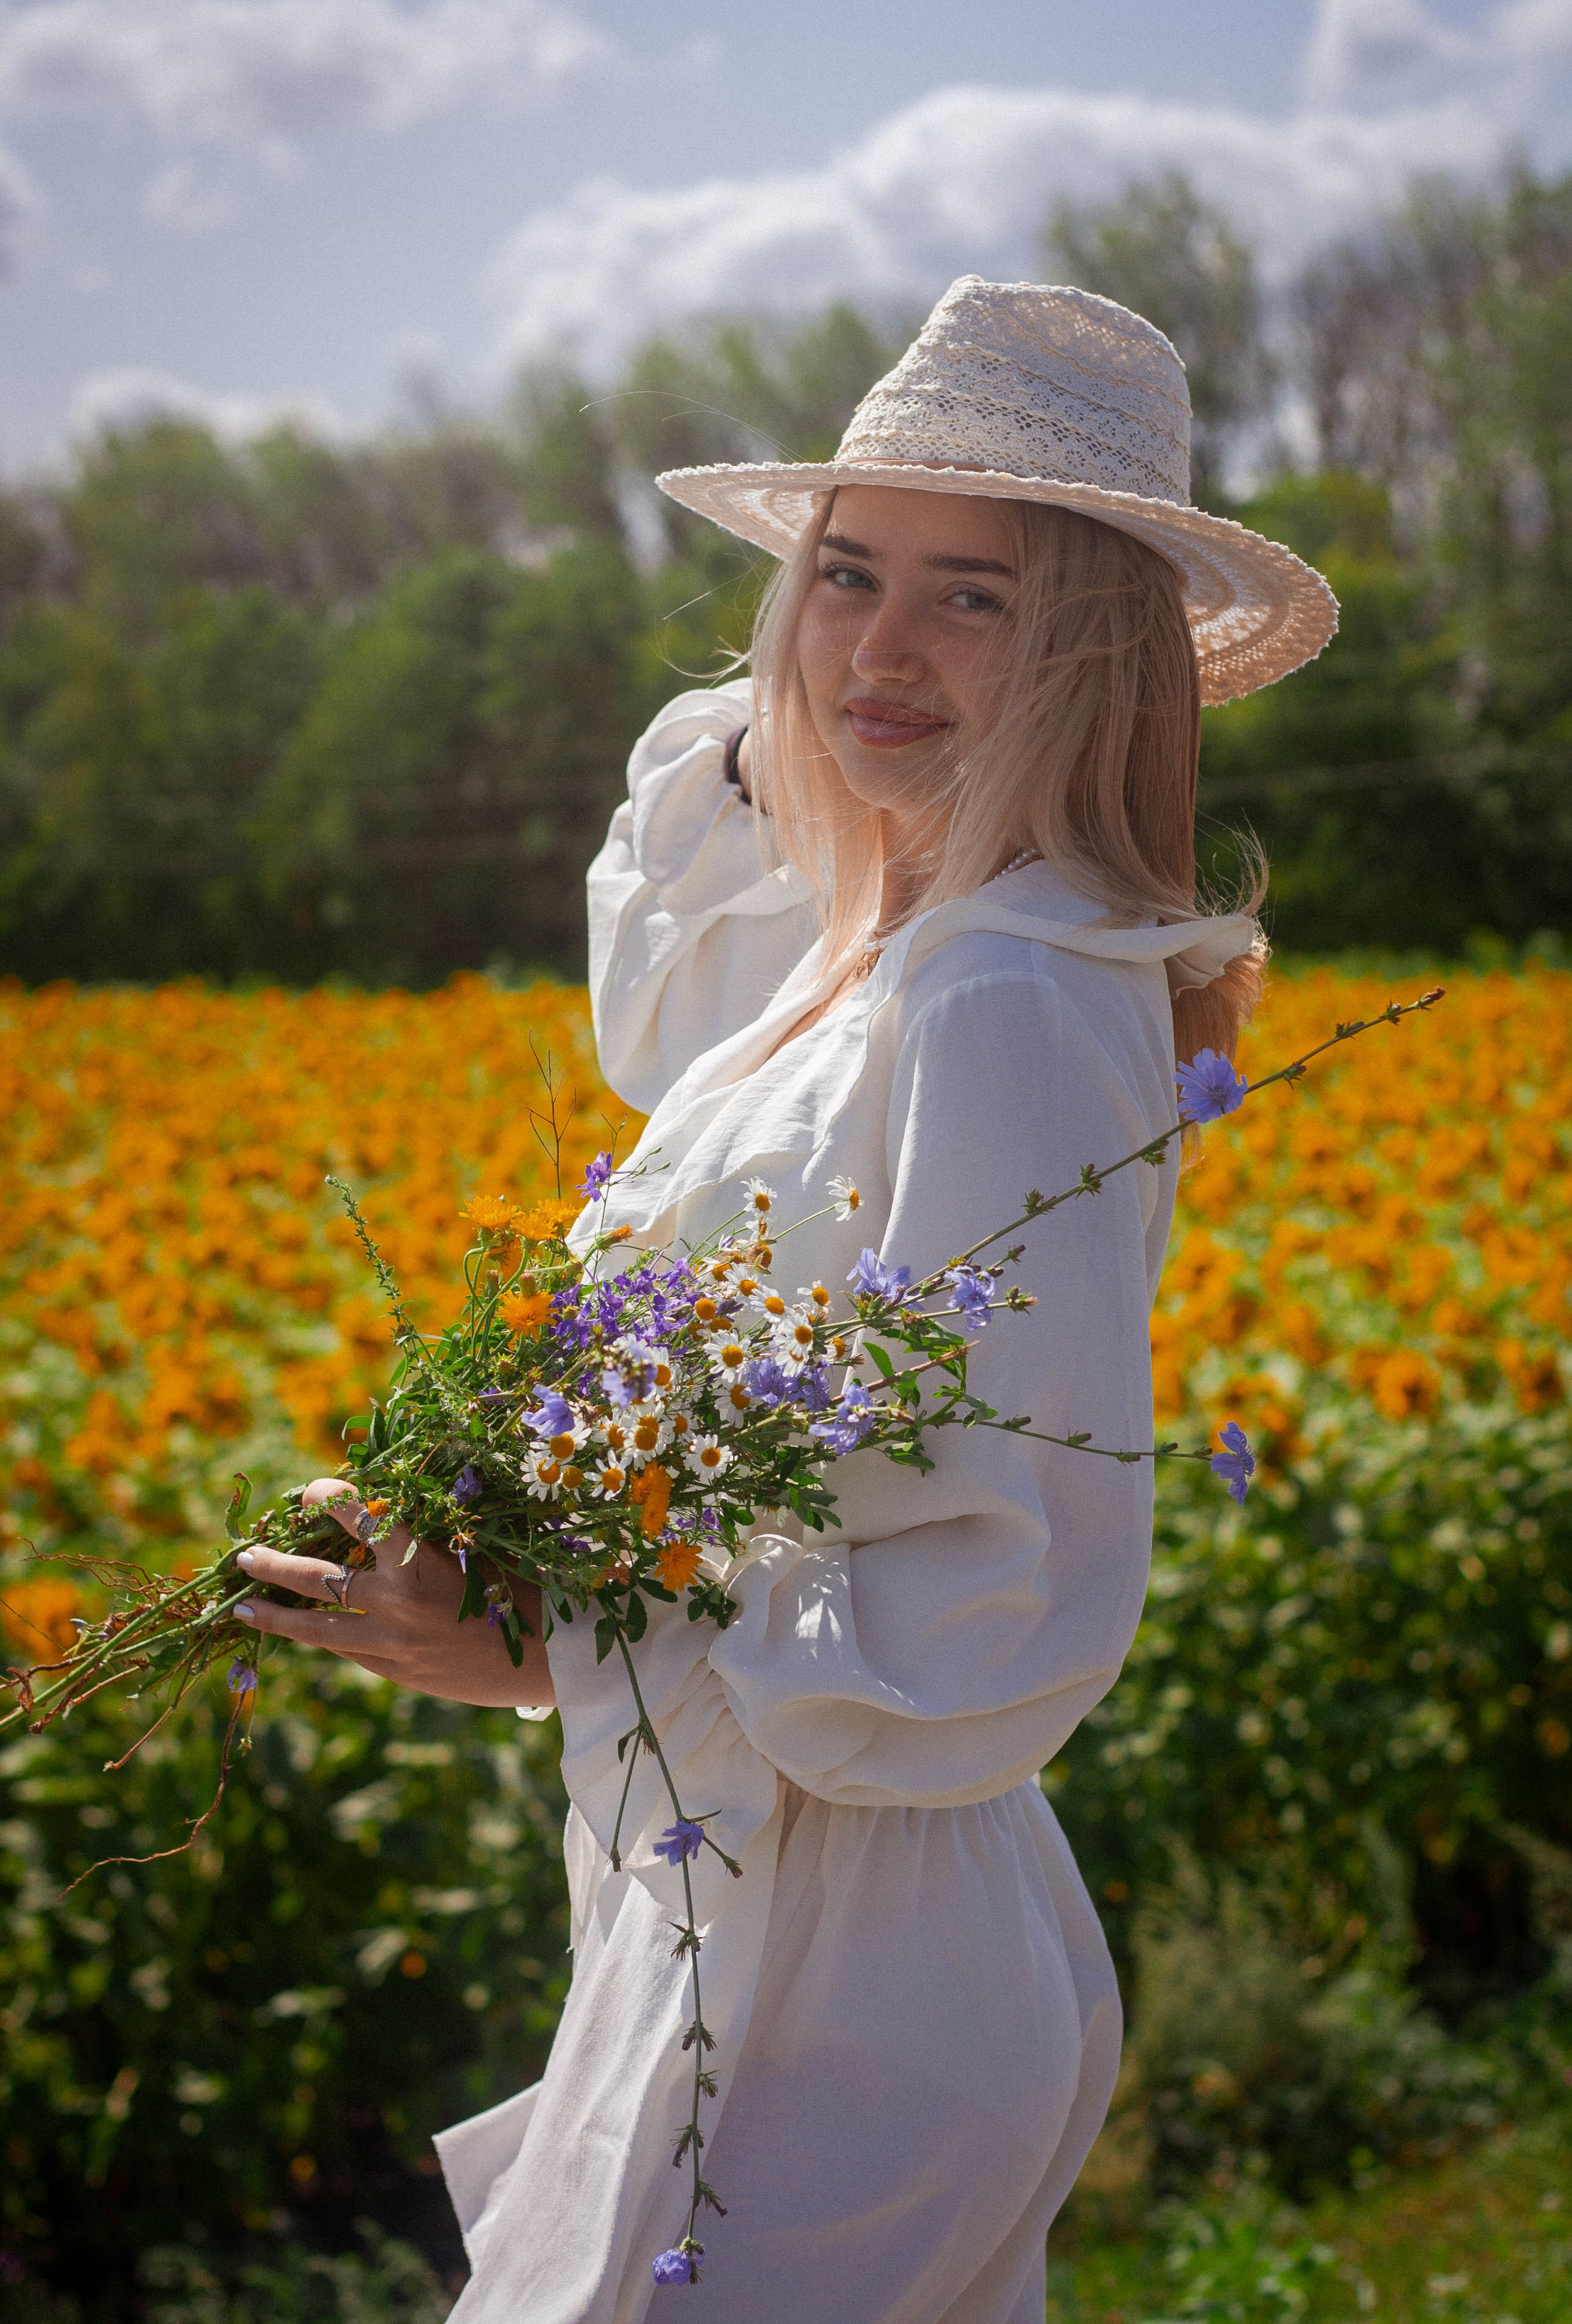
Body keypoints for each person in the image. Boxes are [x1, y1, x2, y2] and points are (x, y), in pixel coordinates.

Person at [233, 278, 1336, 2323]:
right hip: (751, 1902)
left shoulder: (1007, 989)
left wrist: (551, 1648)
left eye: (976, 596)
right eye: (846, 574)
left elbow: (995, 1576)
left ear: (1094, 643)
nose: (882, 649)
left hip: (855, 1955)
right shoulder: (889, 955)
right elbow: (672, 1013)